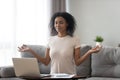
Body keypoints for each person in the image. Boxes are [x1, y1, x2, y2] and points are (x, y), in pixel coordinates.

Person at [18, 12, 101, 75]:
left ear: (67, 24)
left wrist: (89, 52)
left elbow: (77, 62)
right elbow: (46, 61)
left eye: (61, 22)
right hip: (53, 76)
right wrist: (30, 51)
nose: (57, 25)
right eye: (56, 23)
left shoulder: (74, 39)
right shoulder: (50, 40)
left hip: (69, 76)